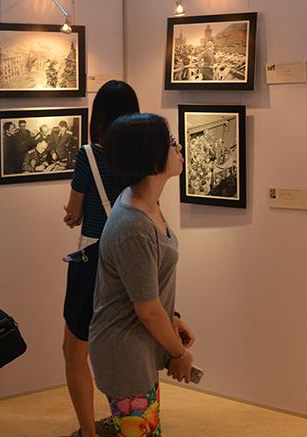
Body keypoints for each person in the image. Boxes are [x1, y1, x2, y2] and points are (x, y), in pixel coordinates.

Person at [89, 113, 195, 437]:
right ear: (151, 158)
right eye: (171, 142)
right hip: (124, 352)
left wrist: (171, 318)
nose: (178, 148)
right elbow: (146, 309)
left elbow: (143, 288)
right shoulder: (134, 224)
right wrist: (179, 354)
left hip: (137, 348)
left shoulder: (146, 204)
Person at [61, 80, 140, 437]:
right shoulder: (144, 156)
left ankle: (88, 432)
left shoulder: (89, 155)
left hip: (93, 258)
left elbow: (74, 211)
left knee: (75, 350)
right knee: (127, 347)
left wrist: (72, 213)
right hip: (132, 257)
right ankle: (130, 422)